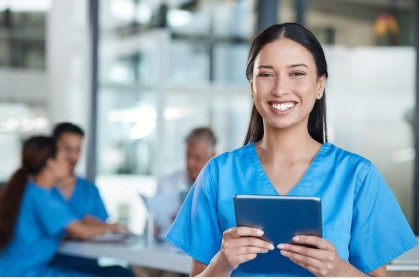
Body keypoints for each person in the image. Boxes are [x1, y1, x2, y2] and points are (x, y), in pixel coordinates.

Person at [165, 23, 418, 277]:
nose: (280, 89)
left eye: (296, 73)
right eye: (266, 74)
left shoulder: (357, 176)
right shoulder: (218, 174)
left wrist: (338, 270)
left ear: (320, 84)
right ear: (252, 85)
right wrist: (221, 264)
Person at [0, 136, 128, 276]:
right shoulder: (41, 196)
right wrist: (115, 227)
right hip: (23, 273)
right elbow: (82, 231)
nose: (69, 164)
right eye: (64, 159)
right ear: (50, 163)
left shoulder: (32, 191)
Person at [149, 127, 217, 241]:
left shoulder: (221, 187)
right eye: (188, 156)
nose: (190, 163)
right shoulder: (166, 183)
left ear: (213, 156)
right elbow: (150, 227)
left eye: (197, 157)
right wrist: (154, 230)